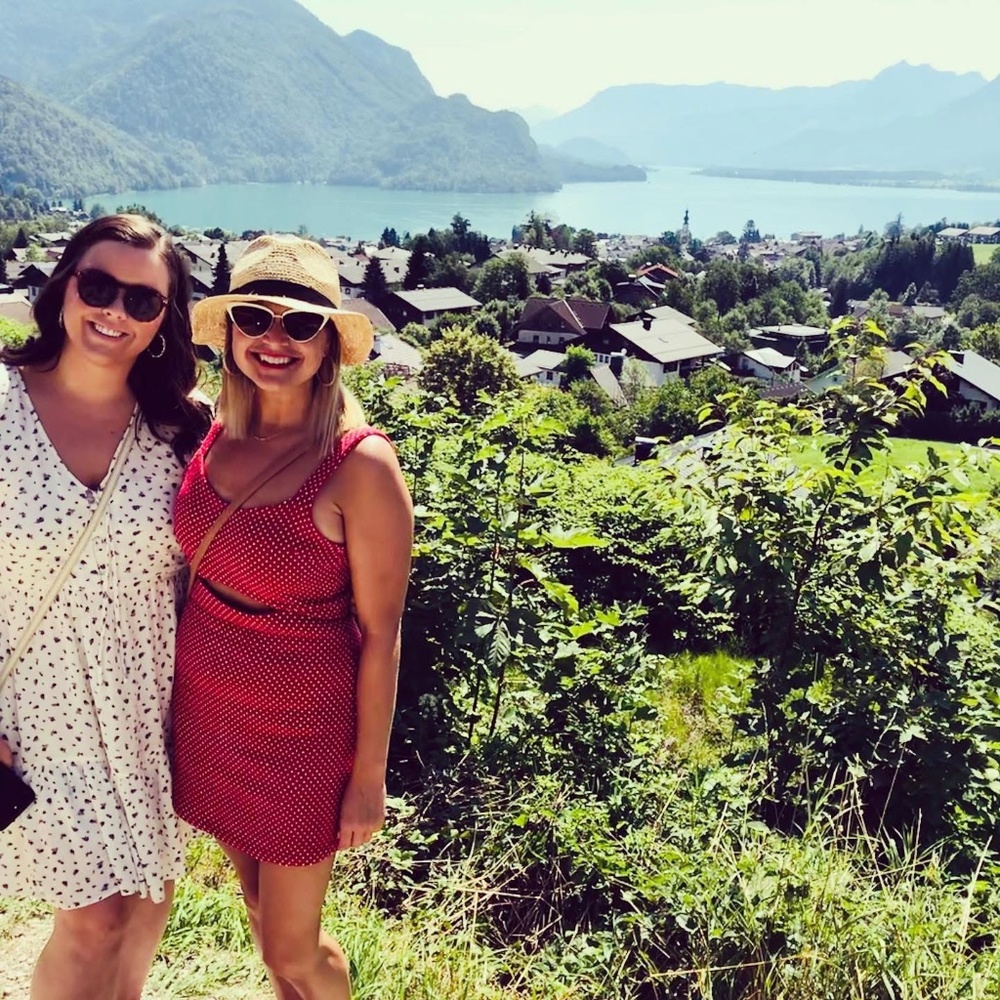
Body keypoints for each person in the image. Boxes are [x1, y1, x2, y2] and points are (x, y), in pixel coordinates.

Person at [171, 234, 413, 1000]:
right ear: (230, 331)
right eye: (254, 318)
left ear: (329, 344)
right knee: (255, 906)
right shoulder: (215, 430)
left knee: (291, 947)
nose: (275, 339)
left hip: (300, 733)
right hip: (210, 708)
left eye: (301, 323)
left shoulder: (359, 465)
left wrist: (368, 778)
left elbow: (383, 634)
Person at [0, 213, 211, 999]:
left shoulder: (181, 429)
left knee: (145, 906)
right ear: (64, 287)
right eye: (98, 286)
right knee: (91, 920)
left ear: (163, 321)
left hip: (147, 711)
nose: (115, 311)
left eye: (142, 300)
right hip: (33, 713)